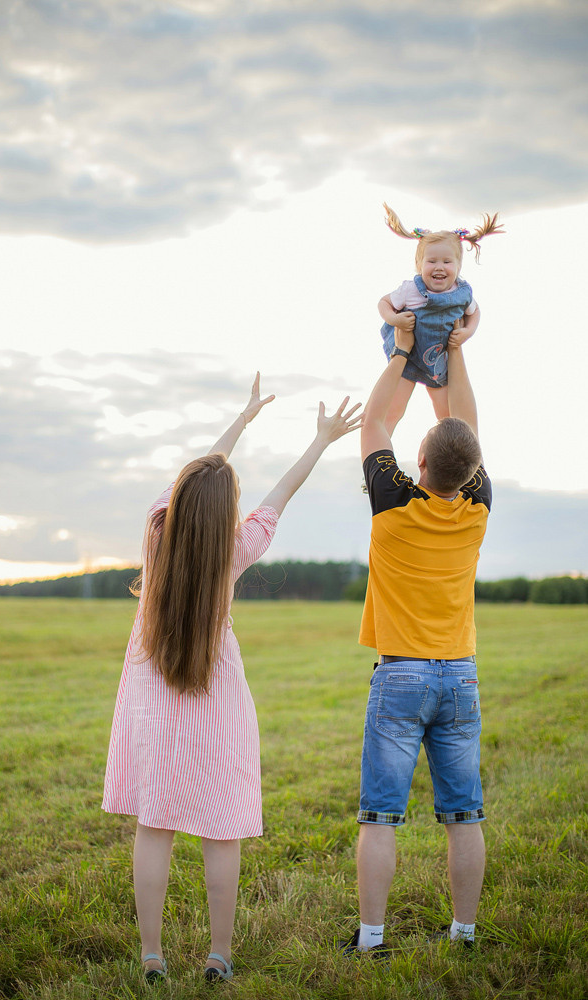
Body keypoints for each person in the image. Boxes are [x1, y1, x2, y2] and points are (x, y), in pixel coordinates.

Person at [102, 374, 363, 983]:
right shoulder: (236, 546)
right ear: (226, 513)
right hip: (215, 698)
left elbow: (200, 473)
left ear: (182, 495)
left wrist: (242, 421)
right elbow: (282, 492)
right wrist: (321, 440)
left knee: (155, 822)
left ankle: (151, 956)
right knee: (222, 825)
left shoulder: (157, 528)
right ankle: (218, 956)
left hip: (153, 695)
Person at [343, 322, 492, 958]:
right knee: (466, 815)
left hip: (401, 675)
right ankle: (464, 934)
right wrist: (452, 353)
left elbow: (374, 421)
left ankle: (372, 939)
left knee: (381, 816)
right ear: (472, 470)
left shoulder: (392, 503)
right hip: (459, 676)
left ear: (420, 465)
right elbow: (466, 428)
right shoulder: (478, 507)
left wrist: (407, 350)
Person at [378, 202, 503, 435]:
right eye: (431, 261)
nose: (439, 267)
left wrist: (467, 332)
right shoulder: (411, 290)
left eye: (447, 262)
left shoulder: (462, 293)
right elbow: (384, 303)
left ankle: (446, 455)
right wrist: (395, 321)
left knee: (446, 415)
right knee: (394, 409)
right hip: (408, 357)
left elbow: (474, 313)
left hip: (438, 363)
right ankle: (379, 452)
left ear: (458, 266)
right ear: (419, 264)